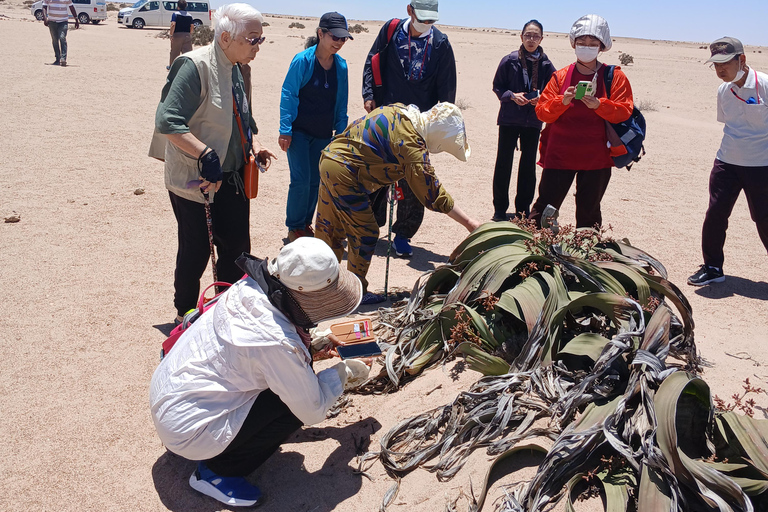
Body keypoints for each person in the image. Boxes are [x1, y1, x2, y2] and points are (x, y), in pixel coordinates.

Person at [150, 237, 371, 507]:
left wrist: (313, 347)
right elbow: (311, 409)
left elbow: (255, 355)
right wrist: (344, 373)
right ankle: (217, 472)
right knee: (292, 406)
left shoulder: (251, 287)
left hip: (171, 396)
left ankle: (217, 447)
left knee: (291, 381)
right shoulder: (276, 342)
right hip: (188, 431)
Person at [149, 3, 277, 323]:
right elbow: (168, 120)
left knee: (236, 247)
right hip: (196, 178)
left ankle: (226, 309)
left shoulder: (235, 67)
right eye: (252, 39)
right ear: (224, 37)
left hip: (231, 175)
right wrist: (204, 154)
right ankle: (186, 313)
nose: (257, 46)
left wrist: (255, 143)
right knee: (196, 249)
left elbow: (242, 117)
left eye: (260, 39)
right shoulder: (193, 66)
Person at [314, 102, 482, 304]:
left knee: (329, 228)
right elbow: (434, 195)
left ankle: (316, 286)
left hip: (330, 159)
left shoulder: (400, 111)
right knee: (365, 233)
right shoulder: (413, 148)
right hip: (347, 175)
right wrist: (470, 223)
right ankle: (354, 292)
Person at [361, 0, 457, 258]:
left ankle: (403, 234)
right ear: (409, 11)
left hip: (418, 124)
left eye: (431, 20)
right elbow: (372, 61)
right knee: (374, 175)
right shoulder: (391, 31)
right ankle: (369, 227)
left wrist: (438, 123)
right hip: (384, 119)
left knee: (414, 179)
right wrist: (369, 93)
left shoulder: (440, 43)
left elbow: (447, 88)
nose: (426, 24)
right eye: (422, 18)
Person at [529, 14, 633, 229]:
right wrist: (563, 101)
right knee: (543, 210)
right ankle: (531, 255)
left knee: (589, 212)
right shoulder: (560, 77)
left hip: (596, 158)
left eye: (593, 44)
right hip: (560, 155)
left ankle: (586, 254)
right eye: (582, 43)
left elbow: (624, 111)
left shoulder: (614, 77)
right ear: (573, 43)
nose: (586, 47)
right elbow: (542, 113)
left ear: (602, 46)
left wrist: (599, 105)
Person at [687, 37, 768, 286]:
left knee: (764, 218)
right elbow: (729, 125)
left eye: (725, 63)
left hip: (761, 166)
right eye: (715, 65)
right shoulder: (724, 90)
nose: (720, 70)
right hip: (727, 162)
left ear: (741, 60)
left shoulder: (765, 85)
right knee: (715, 214)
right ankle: (712, 267)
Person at [278, 12, 351, 242]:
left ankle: (305, 225)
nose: (339, 42)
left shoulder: (341, 67)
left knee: (315, 182)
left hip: (323, 135)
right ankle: (294, 226)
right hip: (298, 133)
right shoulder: (303, 61)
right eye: (335, 37)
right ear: (320, 34)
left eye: (343, 38)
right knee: (300, 180)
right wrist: (285, 129)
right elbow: (288, 93)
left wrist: (340, 137)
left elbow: (341, 104)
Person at [491, 20, 556, 221]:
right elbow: (497, 86)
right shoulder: (509, 60)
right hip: (510, 118)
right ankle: (500, 209)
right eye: (528, 35)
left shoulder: (546, 65)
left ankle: (523, 210)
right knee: (504, 163)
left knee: (528, 165)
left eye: (535, 36)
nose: (531, 39)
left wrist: (541, 99)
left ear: (541, 39)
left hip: (533, 120)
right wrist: (511, 95)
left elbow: (554, 90)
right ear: (521, 37)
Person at [42, 0, 79, 67]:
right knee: (55, 40)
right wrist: (45, 18)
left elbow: (71, 7)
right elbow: (44, 7)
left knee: (62, 37)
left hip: (63, 21)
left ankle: (63, 58)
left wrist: (76, 19)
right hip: (52, 22)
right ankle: (57, 58)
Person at [168, 0, 194, 69]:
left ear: (178, 6)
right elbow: (192, 26)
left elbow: (173, 24)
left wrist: (171, 34)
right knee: (187, 53)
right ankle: (189, 68)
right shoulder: (189, 15)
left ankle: (172, 67)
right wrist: (190, 34)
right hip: (187, 35)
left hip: (177, 35)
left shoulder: (175, 14)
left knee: (174, 52)